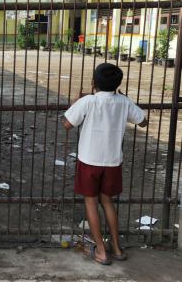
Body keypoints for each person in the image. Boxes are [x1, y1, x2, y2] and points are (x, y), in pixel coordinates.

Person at [63, 63, 148, 265]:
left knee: (91, 201)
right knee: (107, 201)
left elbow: (67, 124)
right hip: (112, 162)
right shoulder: (123, 102)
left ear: (94, 83)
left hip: (89, 161)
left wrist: (76, 102)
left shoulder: (88, 101)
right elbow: (143, 121)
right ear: (118, 84)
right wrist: (125, 101)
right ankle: (117, 248)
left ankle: (100, 250)